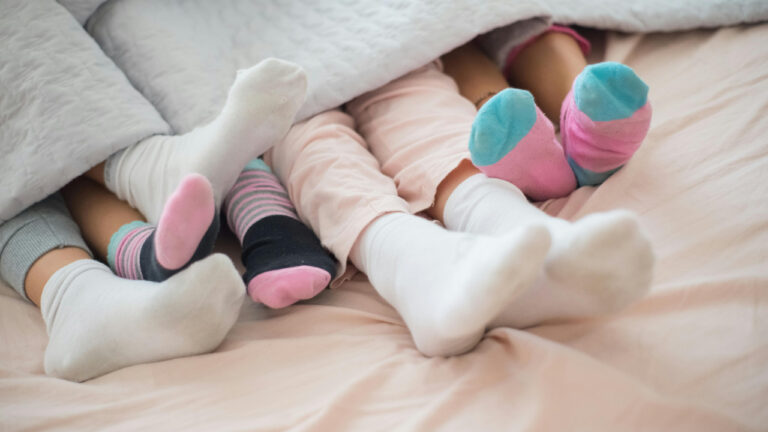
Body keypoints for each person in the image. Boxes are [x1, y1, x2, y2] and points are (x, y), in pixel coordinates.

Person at [264, 26, 655, 357]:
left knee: (412, 89)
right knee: (300, 128)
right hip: (260, 49)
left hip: (350, 31)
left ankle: (512, 228)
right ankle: (413, 264)